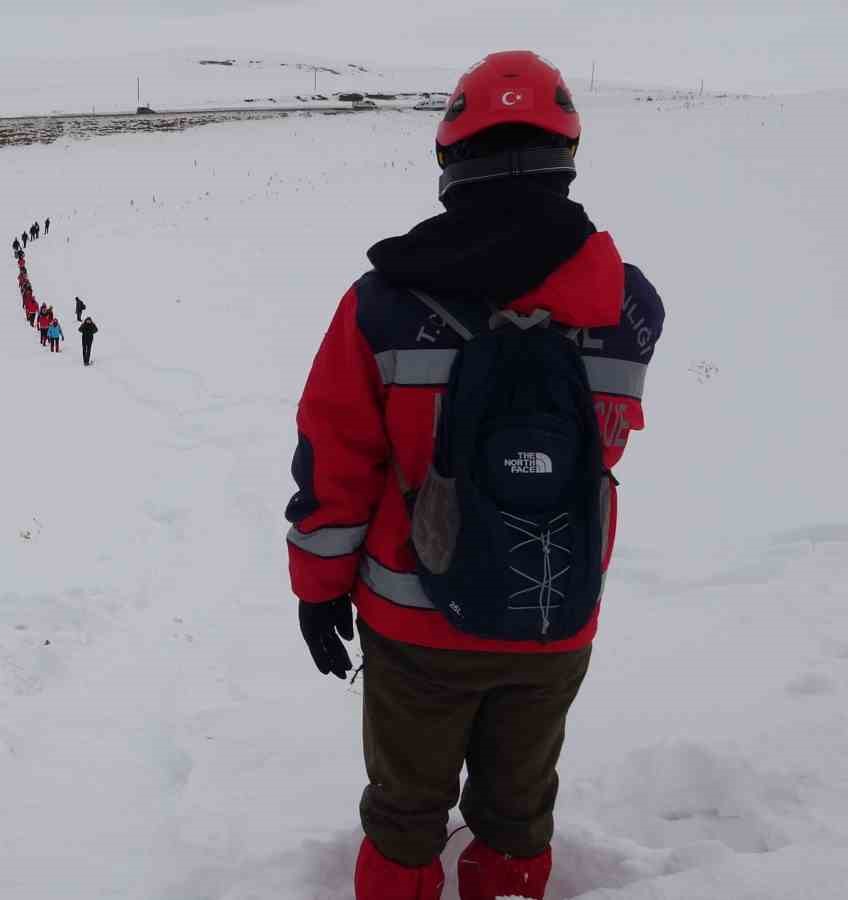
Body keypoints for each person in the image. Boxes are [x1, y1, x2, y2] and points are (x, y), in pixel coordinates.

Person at [283, 52, 664, 900]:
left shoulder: (380, 304)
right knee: (518, 811)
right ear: (568, 156)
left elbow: (334, 460)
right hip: (552, 613)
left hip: (414, 626)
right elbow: (604, 447)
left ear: (450, 161)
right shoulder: (631, 306)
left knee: (406, 814)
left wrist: (318, 588)